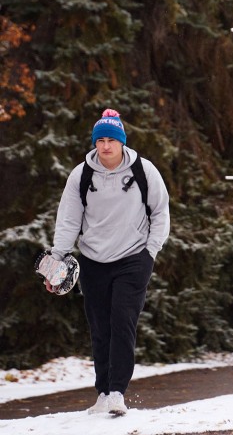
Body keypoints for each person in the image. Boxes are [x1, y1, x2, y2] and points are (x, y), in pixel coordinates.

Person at [47, 109, 170, 416]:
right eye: (99, 140)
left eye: (111, 140)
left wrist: (150, 252)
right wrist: (55, 263)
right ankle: (102, 393)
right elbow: (68, 221)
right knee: (100, 328)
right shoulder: (81, 175)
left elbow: (160, 213)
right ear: (94, 143)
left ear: (121, 142)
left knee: (122, 322)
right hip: (93, 261)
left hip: (133, 259)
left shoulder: (145, 170)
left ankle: (117, 392)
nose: (105, 146)